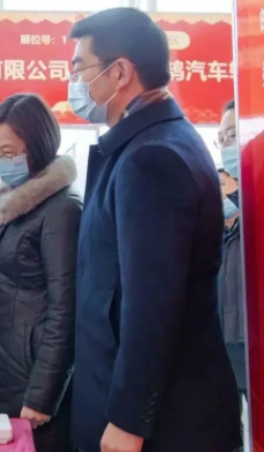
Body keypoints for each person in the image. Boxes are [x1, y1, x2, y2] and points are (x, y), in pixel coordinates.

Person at [68, 8, 241, 452]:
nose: (75, 83)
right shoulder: (156, 142)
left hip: (160, 426)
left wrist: (129, 420)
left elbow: (152, 304)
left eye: (80, 68)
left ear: (120, 72)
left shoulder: (152, 157)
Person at [0, 94, 81, 452]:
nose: (0, 162)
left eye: (8, 152)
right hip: (4, 375)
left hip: (33, 387)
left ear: (38, 145)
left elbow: (66, 310)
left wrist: (42, 395)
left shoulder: (62, 209)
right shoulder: (12, 205)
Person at [217, 100, 247, 402]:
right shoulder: (218, 226)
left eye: (233, 135)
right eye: (222, 138)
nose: (226, 144)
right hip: (225, 344)